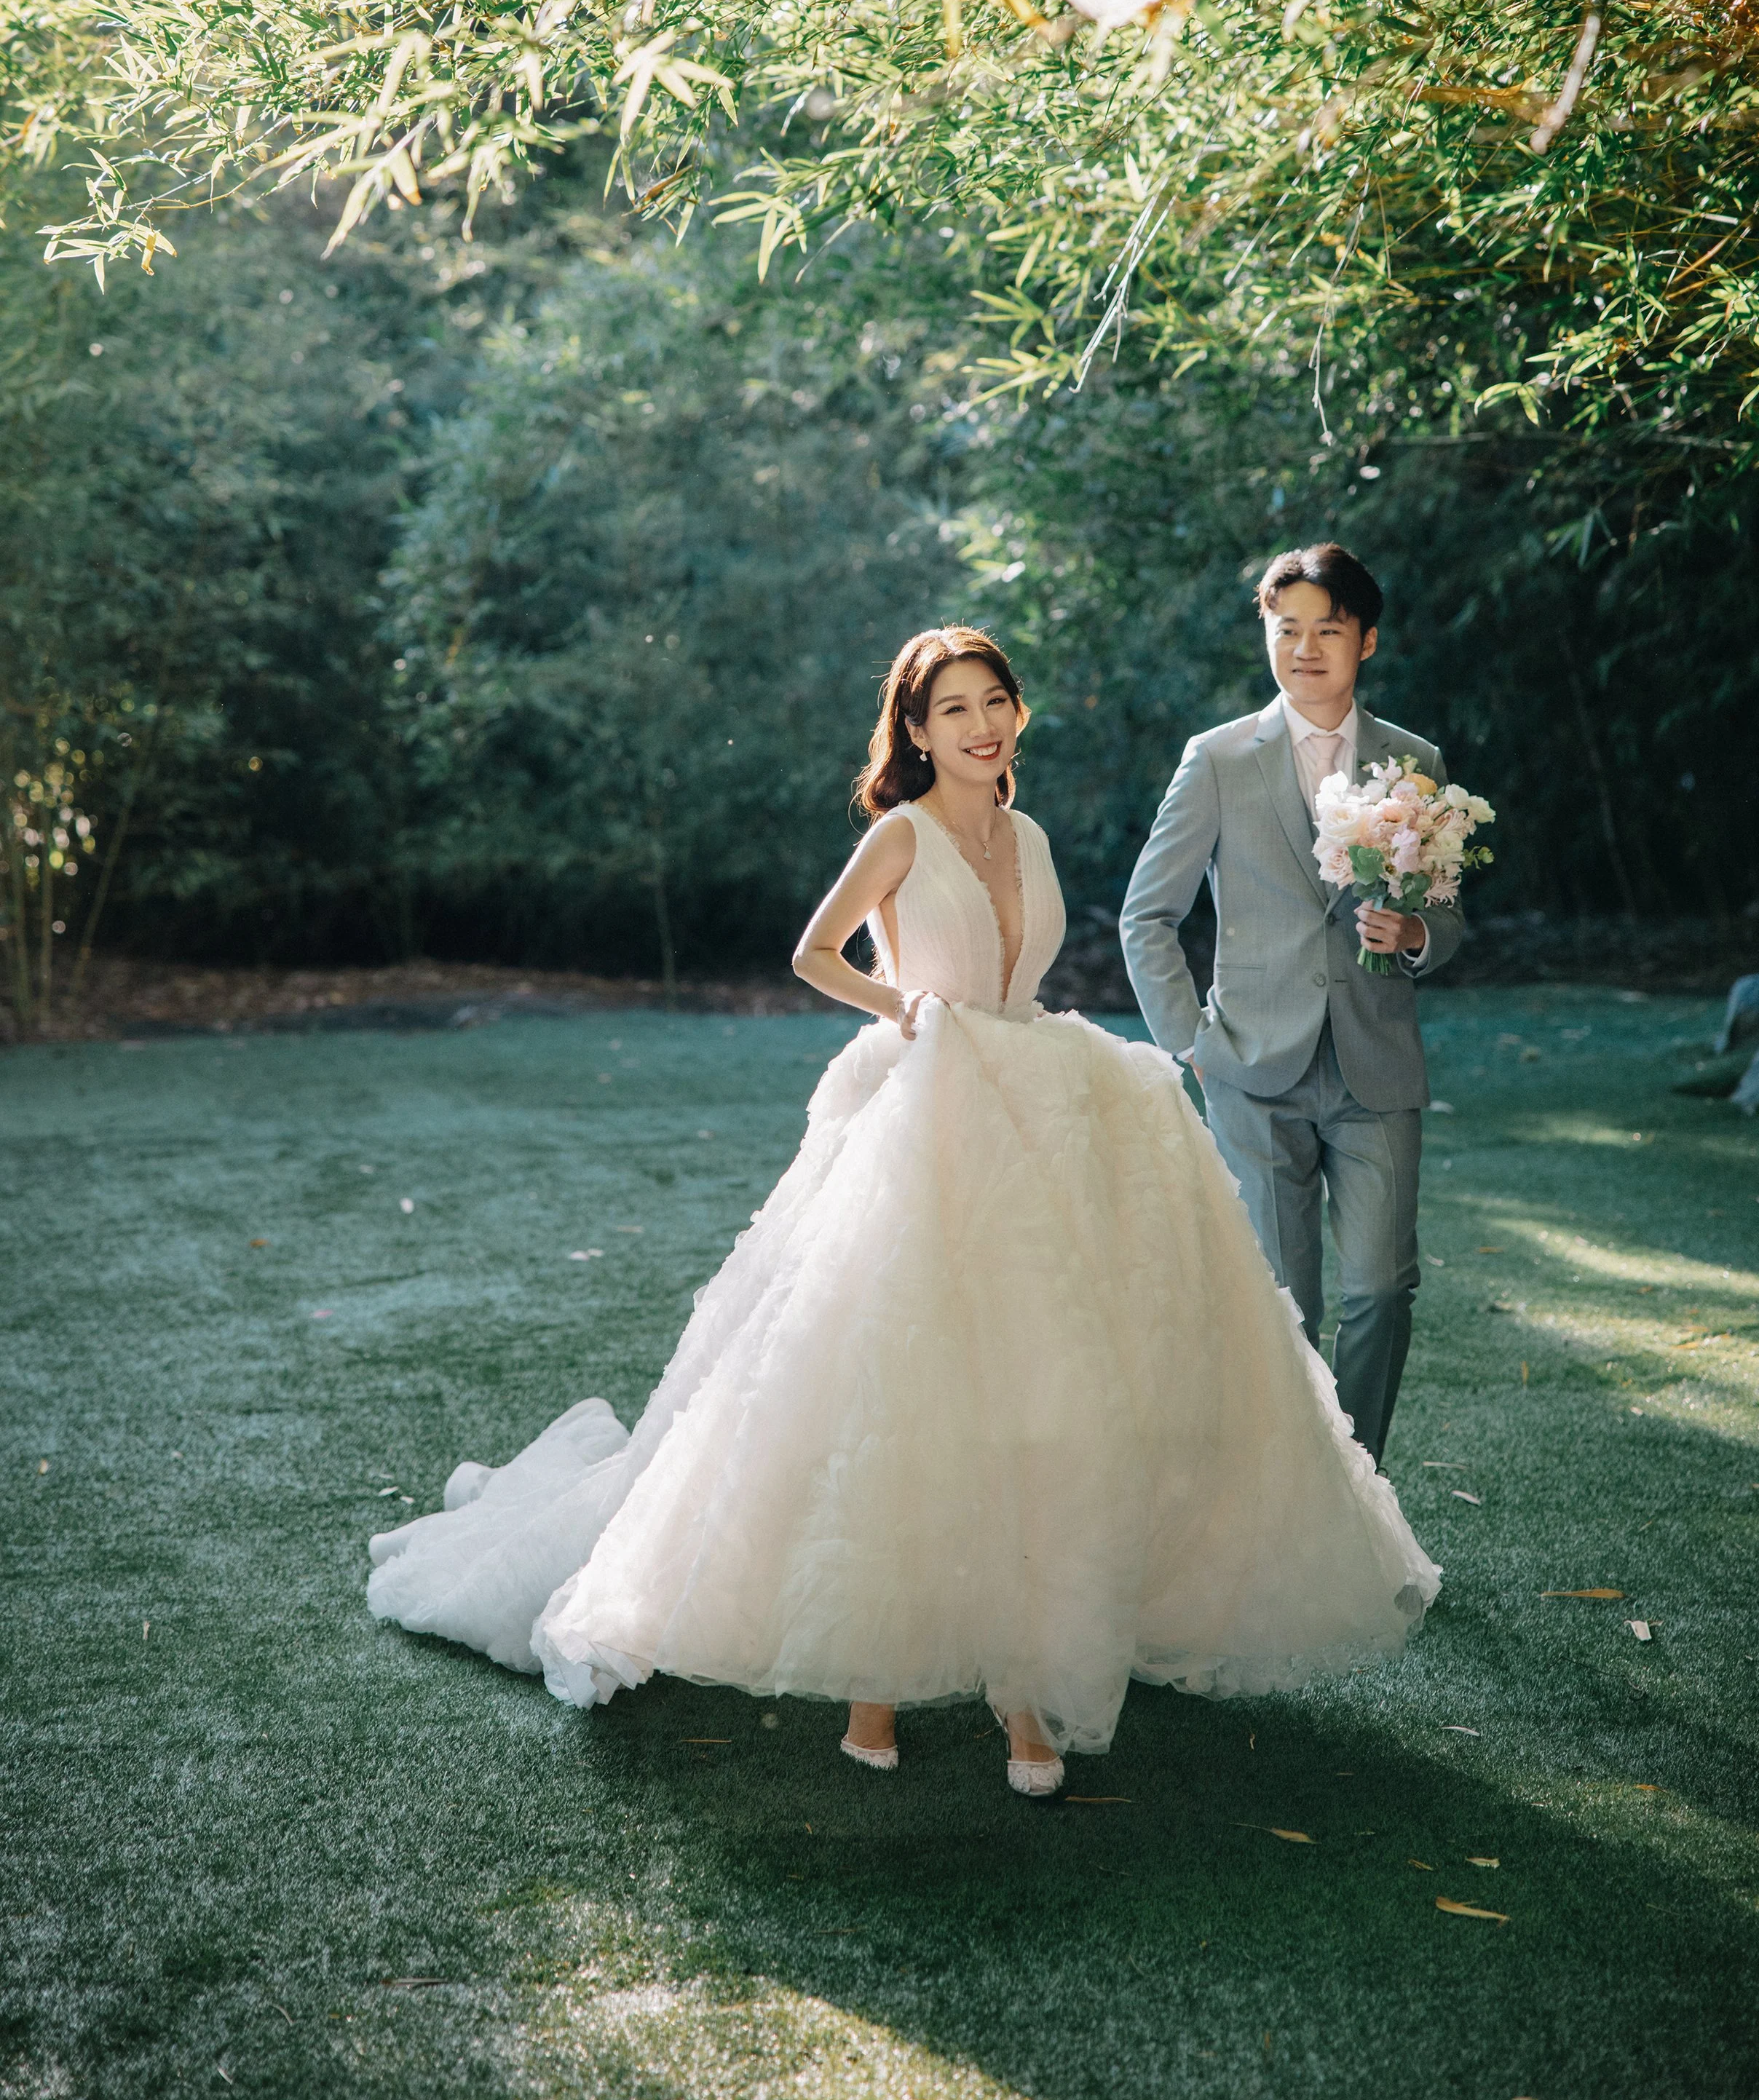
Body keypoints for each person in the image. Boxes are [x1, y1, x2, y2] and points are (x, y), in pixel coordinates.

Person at [368, 625, 1437, 1792]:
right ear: (917, 733)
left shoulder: (1025, 831)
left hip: (1043, 1098)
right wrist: (903, 1008)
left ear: (1016, 716)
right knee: (900, 1381)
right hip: (930, 1112)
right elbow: (815, 951)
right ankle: (875, 1672)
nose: (980, 726)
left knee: (1049, 1384)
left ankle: (1022, 1671)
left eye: (995, 703)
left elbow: (1026, 976)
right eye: (952, 711)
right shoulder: (903, 832)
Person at [1120, 545, 1460, 1466]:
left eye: (1328, 630)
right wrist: (1191, 1042)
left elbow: (1447, 911)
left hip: (1374, 1065)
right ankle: (1294, 1504)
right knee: (1285, 1306)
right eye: (1287, 631)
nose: (1305, 649)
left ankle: (1360, 1488)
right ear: (1266, 637)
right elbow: (1147, 914)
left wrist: (1417, 937)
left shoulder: (1413, 762)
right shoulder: (1219, 758)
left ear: (1367, 640)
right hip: (1250, 1069)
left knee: (1384, 1288)